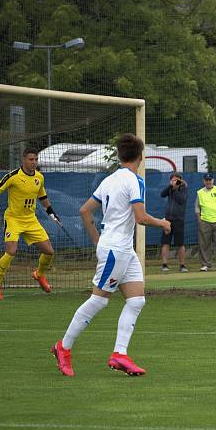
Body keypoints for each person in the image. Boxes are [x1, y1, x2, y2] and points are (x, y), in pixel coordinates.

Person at [52, 133, 171, 377]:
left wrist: (98, 240)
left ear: (119, 155)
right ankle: (63, 347)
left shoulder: (109, 180)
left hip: (121, 249)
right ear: (141, 157)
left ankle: (120, 354)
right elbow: (141, 217)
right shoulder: (135, 181)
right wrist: (163, 223)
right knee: (99, 300)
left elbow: (85, 211)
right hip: (116, 250)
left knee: (137, 300)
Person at [0, 147, 59, 300]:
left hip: (31, 220)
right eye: (31, 159)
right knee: (11, 251)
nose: (34, 162)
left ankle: (39, 275)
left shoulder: (39, 177)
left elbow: (42, 195)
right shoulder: (12, 176)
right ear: (24, 160)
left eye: (36, 159)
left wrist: (50, 210)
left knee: (49, 251)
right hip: (13, 219)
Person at [195, 172, 216, 272]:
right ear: (204, 181)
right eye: (206, 180)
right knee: (204, 244)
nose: (208, 182)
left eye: (210, 180)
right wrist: (199, 219)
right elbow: (197, 207)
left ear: (213, 180)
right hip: (205, 221)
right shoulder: (200, 192)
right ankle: (205, 264)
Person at [160, 172, 189, 272]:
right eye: (173, 180)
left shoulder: (184, 189)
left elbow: (182, 200)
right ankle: (164, 264)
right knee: (165, 242)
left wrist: (176, 189)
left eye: (177, 180)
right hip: (168, 219)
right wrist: (170, 186)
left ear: (180, 181)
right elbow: (162, 194)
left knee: (180, 243)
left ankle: (182, 265)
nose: (175, 181)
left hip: (179, 219)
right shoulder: (169, 188)